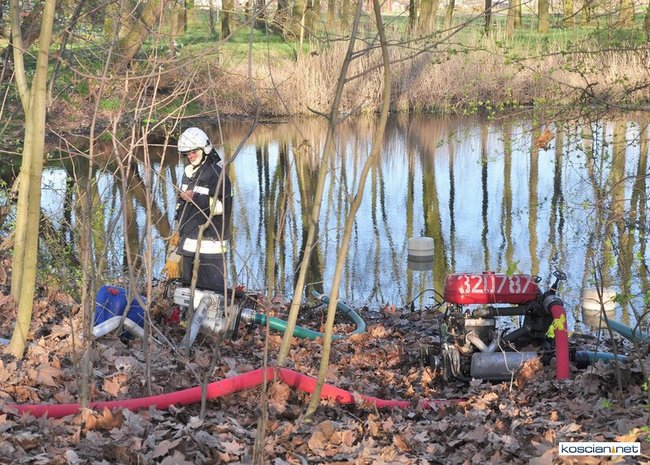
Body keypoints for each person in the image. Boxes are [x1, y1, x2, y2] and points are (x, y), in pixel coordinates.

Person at [174, 127, 233, 293]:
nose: (190, 156)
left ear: (204, 149)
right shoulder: (188, 174)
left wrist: (196, 198)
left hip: (210, 247)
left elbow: (223, 207)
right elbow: (182, 208)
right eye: (187, 153)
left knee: (211, 296)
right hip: (189, 246)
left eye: (194, 152)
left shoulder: (217, 175)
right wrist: (177, 232)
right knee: (188, 294)